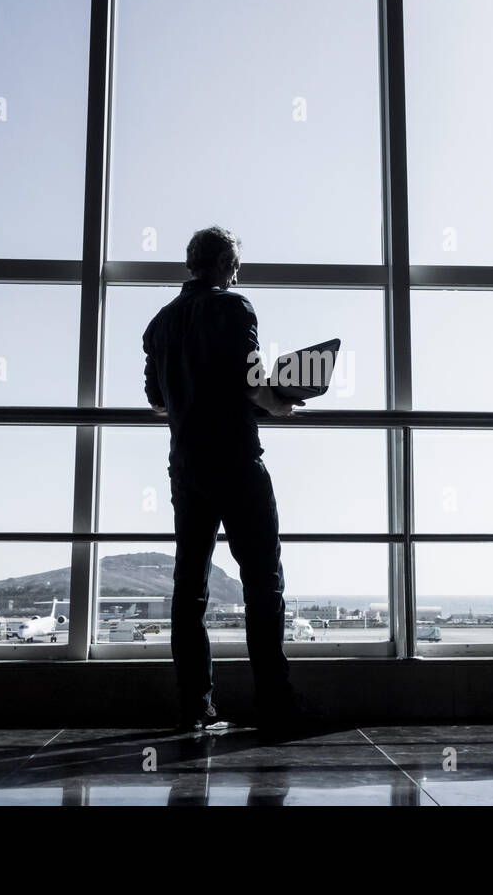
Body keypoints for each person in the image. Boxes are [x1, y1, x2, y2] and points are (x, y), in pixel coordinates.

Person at [141, 226, 306, 734]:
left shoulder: (159, 323)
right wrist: (284, 401)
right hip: (236, 460)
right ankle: (274, 704)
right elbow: (252, 385)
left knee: (189, 587)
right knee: (263, 583)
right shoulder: (235, 309)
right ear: (226, 264)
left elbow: (157, 400)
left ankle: (196, 705)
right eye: (235, 265)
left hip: (186, 466)